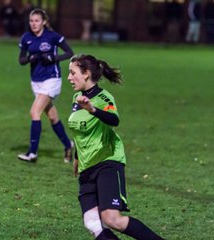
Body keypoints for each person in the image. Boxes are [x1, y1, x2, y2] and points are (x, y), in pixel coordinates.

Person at [67, 54, 164, 240]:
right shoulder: (76, 97)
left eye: (72, 73)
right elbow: (80, 131)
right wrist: (77, 157)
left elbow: (114, 120)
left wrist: (93, 110)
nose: (69, 78)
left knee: (112, 219)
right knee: (92, 222)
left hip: (107, 162)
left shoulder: (104, 97)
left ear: (86, 74)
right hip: (87, 166)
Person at [17, 9, 74, 163]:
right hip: (36, 82)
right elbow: (21, 60)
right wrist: (30, 58)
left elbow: (70, 53)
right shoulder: (26, 38)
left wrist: (53, 58)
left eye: (36, 20)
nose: (33, 24)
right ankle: (68, 145)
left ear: (43, 22)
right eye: (31, 21)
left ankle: (32, 153)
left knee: (34, 112)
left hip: (52, 80)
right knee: (52, 116)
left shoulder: (52, 36)